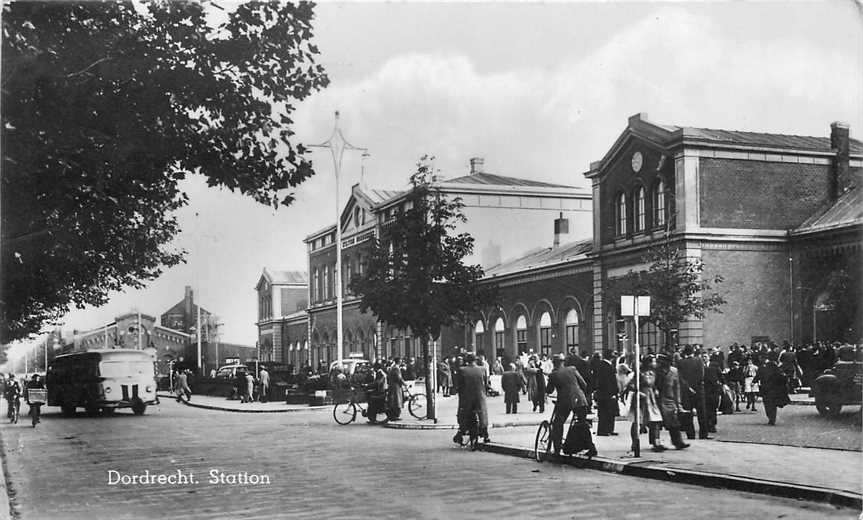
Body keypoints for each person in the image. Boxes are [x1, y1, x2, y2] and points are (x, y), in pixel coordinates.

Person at [545, 354, 596, 457]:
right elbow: (583, 384)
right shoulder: (572, 369)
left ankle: (557, 450)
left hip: (564, 401)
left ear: (554, 363)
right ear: (563, 362)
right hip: (580, 400)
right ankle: (591, 448)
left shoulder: (553, 375)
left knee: (558, 424)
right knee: (582, 423)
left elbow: (549, 390)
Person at [453, 353, 490, 444]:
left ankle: (461, 432)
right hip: (480, 397)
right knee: (483, 415)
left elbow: (459, 385)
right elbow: (486, 383)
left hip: (467, 398)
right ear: (476, 360)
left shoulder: (462, 370)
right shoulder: (482, 369)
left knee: (464, 415)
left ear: (466, 361)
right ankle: (485, 435)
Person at [656, 353, 689, 450]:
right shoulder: (656, 371)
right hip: (657, 399)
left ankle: (678, 442)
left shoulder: (674, 371)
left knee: (673, 421)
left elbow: (677, 388)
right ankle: (656, 443)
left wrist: (678, 403)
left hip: (669, 399)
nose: (661, 363)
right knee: (656, 423)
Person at [677, 344, 711, 439]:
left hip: (687, 392)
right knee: (702, 413)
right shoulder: (699, 360)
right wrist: (696, 387)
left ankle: (690, 434)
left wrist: (688, 388)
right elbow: (701, 375)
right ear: (693, 352)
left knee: (688, 413)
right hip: (699, 390)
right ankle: (703, 434)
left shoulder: (680, 363)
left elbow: (681, 378)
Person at [753, 352, 790, 425]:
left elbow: (759, 376)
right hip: (769, 388)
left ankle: (771, 418)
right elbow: (759, 375)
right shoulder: (767, 366)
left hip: (769, 388)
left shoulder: (768, 366)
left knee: (769, 404)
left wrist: (754, 381)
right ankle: (771, 418)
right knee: (769, 404)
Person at [594, 350, 618, 436]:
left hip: (607, 393)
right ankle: (603, 430)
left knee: (610, 412)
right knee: (605, 411)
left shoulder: (606, 365)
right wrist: (612, 393)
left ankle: (609, 429)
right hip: (606, 393)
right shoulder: (604, 365)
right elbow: (606, 381)